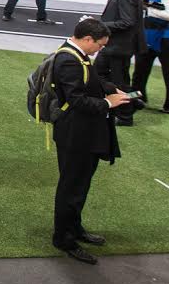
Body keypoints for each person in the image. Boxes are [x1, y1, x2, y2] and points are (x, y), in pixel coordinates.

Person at [51, 19, 129, 265]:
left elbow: (90, 81)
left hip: (83, 133)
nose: (100, 49)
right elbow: (76, 99)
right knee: (71, 188)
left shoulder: (77, 55)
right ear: (87, 39)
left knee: (79, 186)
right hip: (75, 135)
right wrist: (107, 103)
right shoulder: (68, 60)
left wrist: (111, 89)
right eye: (100, 45)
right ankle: (64, 239)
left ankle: (74, 228)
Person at [96, 0, 146, 127]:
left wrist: (102, 25)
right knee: (100, 73)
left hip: (120, 45)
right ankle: (133, 101)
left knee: (119, 81)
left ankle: (126, 114)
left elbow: (127, 21)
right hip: (116, 45)